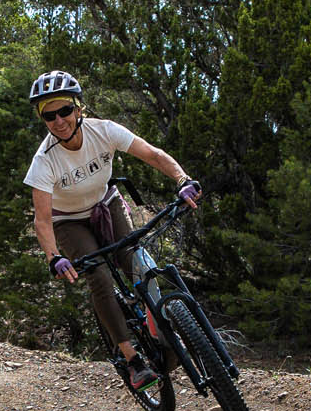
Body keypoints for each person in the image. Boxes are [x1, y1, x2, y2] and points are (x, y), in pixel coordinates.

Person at [22, 70, 201, 392]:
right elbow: (43, 220)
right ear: (43, 120)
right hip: (68, 221)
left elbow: (153, 155)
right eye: (49, 115)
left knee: (136, 261)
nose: (58, 120)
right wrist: (54, 257)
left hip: (106, 202)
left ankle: (161, 328)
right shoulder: (44, 161)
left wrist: (182, 181)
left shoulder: (103, 131)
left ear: (79, 109)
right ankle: (132, 359)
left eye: (64, 110)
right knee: (101, 278)